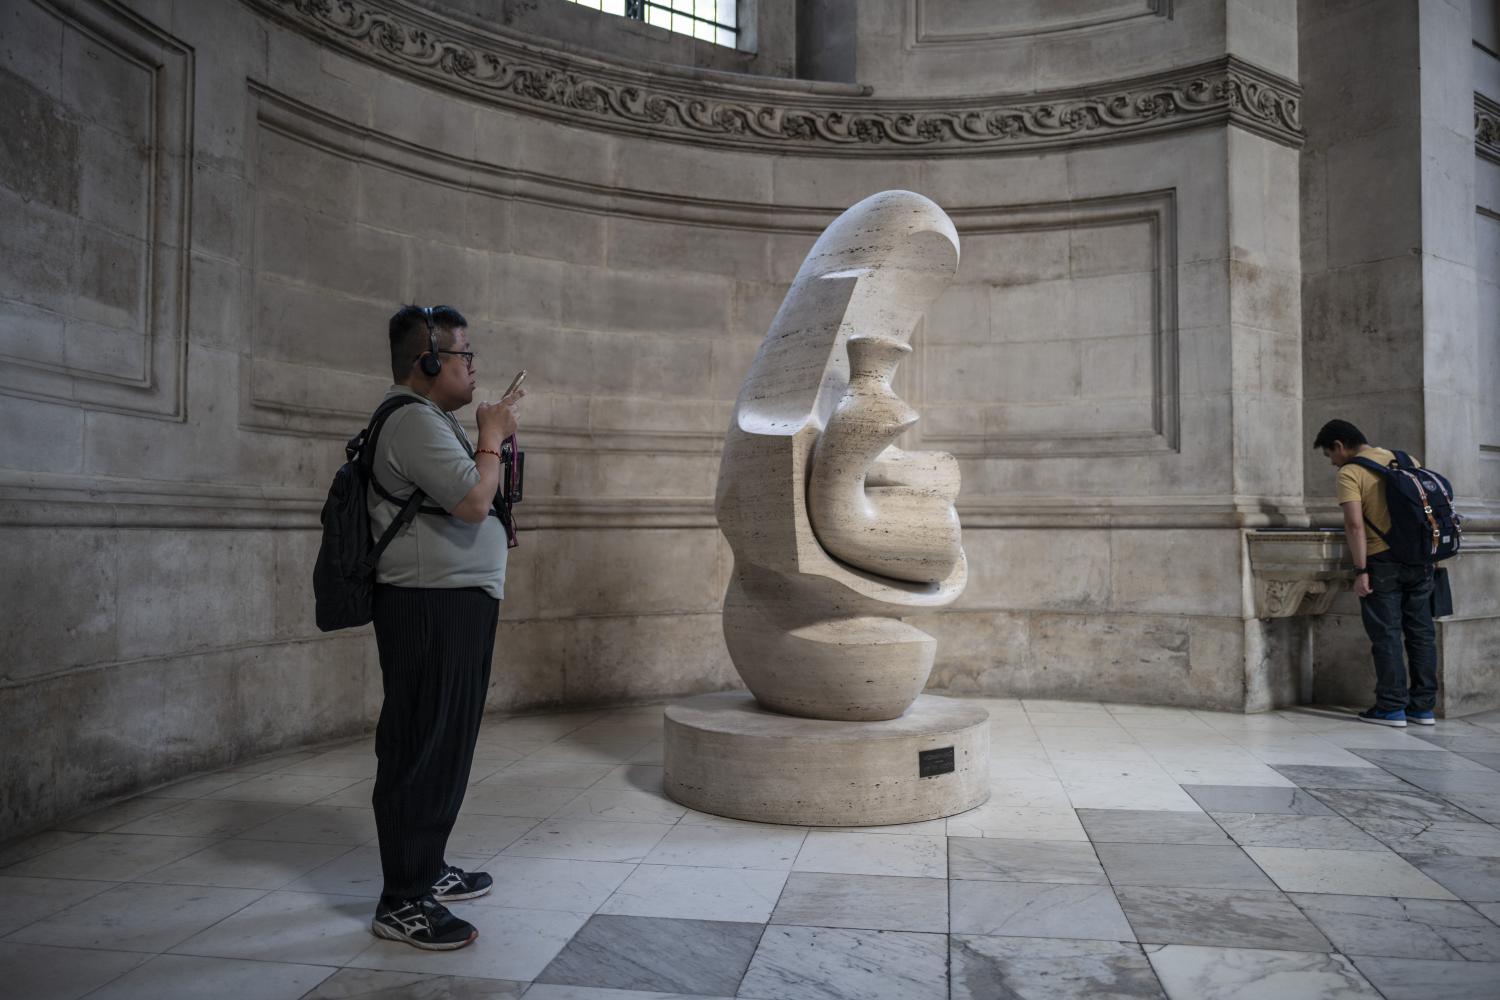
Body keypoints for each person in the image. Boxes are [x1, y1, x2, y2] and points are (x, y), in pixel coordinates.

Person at [365, 304, 523, 950]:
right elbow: (472, 501)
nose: (473, 365)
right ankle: (402, 899)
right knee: (424, 747)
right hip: (429, 607)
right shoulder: (410, 422)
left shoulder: (430, 422)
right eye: (464, 355)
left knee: (445, 745)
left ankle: (425, 868)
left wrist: (491, 434)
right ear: (427, 362)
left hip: (452, 604)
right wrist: (490, 434)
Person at [1313, 419, 1435, 728]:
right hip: (1420, 561)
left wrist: (1361, 570)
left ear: (1340, 445)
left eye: (1330, 455)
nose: (1333, 462)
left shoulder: (1351, 473)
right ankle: (1422, 707)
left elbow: (1355, 525)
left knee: (1387, 635)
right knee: (1421, 633)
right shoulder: (1407, 460)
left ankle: (1391, 707)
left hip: (1382, 562)